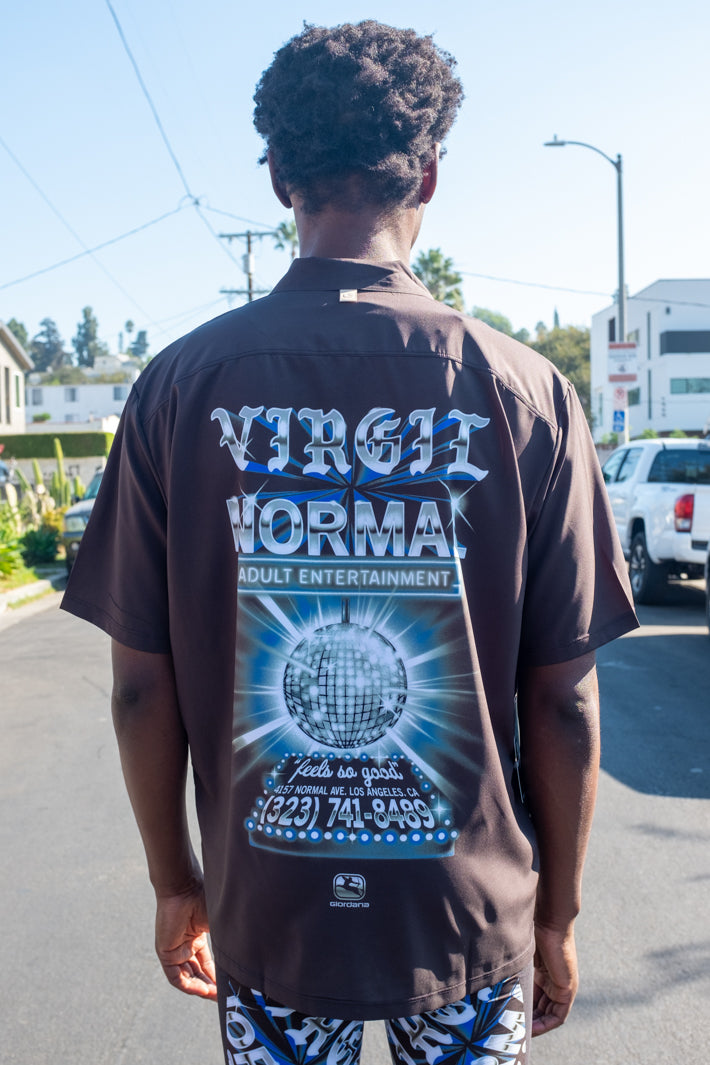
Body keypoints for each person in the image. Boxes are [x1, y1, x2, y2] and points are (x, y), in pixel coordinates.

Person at [62, 20, 638, 1065]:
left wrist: (176, 883)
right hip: (470, 919)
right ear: (428, 175)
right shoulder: (527, 394)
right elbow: (563, 699)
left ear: (279, 176)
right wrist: (556, 915)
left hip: (268, 913)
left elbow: (142, 689)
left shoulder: (178, 388)